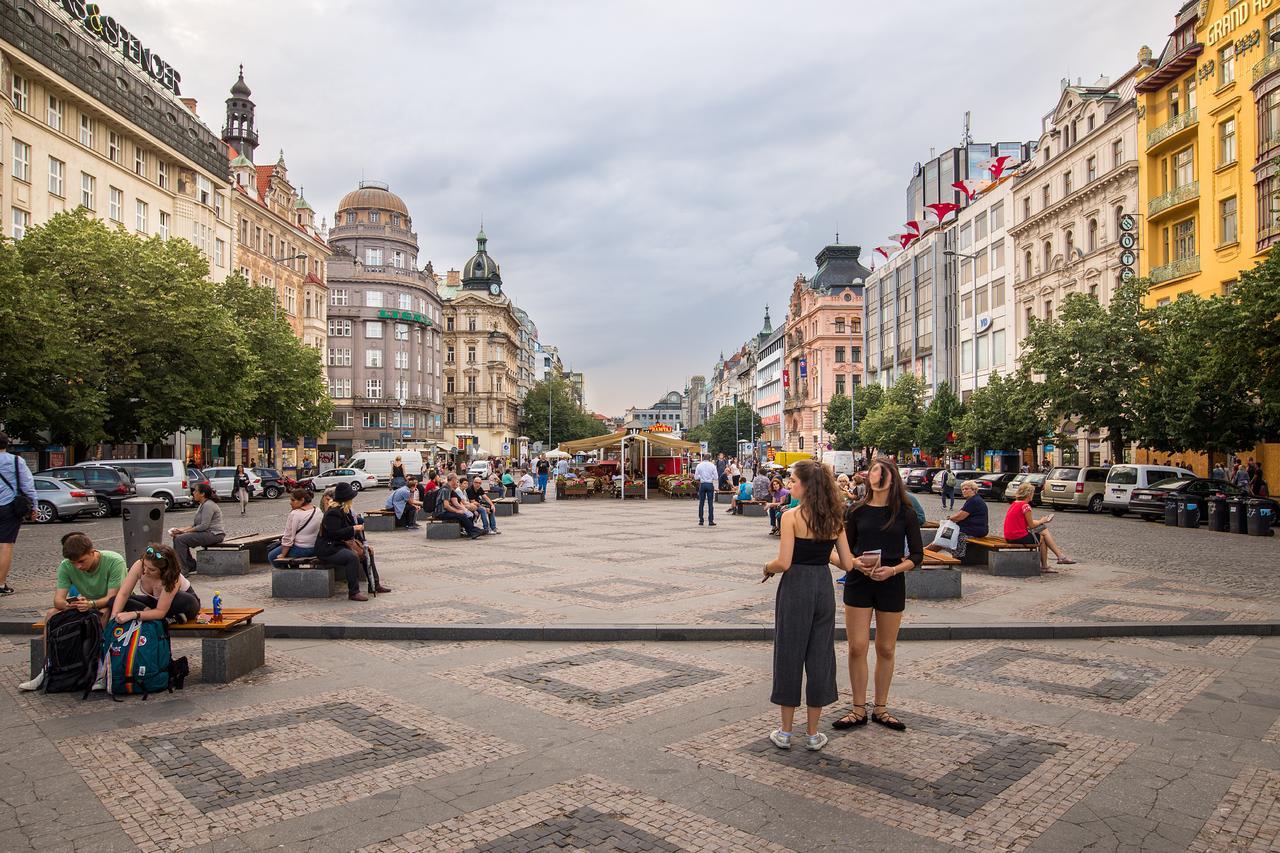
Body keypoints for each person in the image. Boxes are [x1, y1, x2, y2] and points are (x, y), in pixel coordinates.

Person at [762, 459, 854, 752]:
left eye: (792, 480)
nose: (789, 484)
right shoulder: (834, 518)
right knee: (820, 656)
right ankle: (814, 734)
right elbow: (848, 563)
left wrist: (767, 566)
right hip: (822, 588)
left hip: (796, 587)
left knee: (789, 654)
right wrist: (823, 555)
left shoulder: (790, 516)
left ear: (806, 486)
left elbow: (784, 562)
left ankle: (786, 732)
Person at [833, 458, 923, 733]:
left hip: (891, 582)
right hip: (859, 581)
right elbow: (842, 550)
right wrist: (855, 562)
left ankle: (880, 707)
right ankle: (858, 708)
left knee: (886, 648)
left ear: (892, 479)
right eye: (873, 470)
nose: (876, 474)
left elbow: (917, 556)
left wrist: (894, 570)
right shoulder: (857, 510)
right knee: (857, 646)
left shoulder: (904, 512)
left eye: (882, 471)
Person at [20, 532, 127, 691]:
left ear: (92, 552)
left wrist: (90, 604)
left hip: (113, 604)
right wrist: (68, 605)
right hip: (84, 604)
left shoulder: (114, 561)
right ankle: (48, 669)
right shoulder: (66, 565)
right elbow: (58, 600)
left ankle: (100, 670)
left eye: (81, 561)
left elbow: (112, 597)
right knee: (51, 615)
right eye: (74, 563)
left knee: (103, 613)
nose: (78, 566)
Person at [109, 543, 201, 626]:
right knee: (114, 600)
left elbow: (161, 611)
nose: (145, 571)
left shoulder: (172, 577)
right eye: (144, 565)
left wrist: (134, 614)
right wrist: (114, 617)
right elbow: (123, 594)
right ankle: (155, 615)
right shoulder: (139, 565)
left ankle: (158, 617)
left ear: (164, 570)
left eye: (152, 569)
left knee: (181, 599)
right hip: (156, 603)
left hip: (183, 603)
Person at [1003, 482, 1076, 573]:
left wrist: (1041, 521)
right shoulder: (1025, 506)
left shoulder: (1015, 504)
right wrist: (1042, 521)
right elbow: (1031, 525)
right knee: (1042, 536)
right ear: (1029, 494)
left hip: (1009, 536)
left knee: (1043, 530)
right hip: (1018, 536)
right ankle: (1055, 560)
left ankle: (1058, 558)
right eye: (1032, 493)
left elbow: (1026, 522)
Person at [314, 482, 370, 601]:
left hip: (339, 545)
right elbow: (334, 533)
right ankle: (353, 592)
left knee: (367, 552)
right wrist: (353, 528)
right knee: (351, 557)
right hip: (328, 548)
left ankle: (374, 584)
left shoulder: (343, 510)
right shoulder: (333, 512)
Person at [0, 431, 37, 596]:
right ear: (7, 444)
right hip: (10, 506)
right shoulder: (16, 461)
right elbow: (28, 485)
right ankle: (0, 584)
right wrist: (34, 506)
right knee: (5, 545)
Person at [169, 483, 224, 576]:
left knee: (180, 539)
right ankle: (190, 565)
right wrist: (180, 530)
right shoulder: (202, 504)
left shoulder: (208, 505)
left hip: (214, 534)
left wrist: (184, 532)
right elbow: (195, 525)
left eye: (195, 491)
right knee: (177, 537)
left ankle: (184, 568)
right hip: (206, 533)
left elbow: (204, 526)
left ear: (202, 494)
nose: (193, 493)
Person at [926, 480, 987, 560]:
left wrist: (950, 518)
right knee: (945, 536)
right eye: (963, 489)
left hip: (974, 530)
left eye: (966, 489)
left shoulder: (973, 501)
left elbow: (959, 517)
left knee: (946, 536)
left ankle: (925, 552)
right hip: (974, 528)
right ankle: (925, 551)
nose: (964, 491)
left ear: (974, 490)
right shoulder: (974, 500)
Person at [268, 489, 322, 566]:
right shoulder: (317, 510)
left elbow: (288, 537)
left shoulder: (295, 514)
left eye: (293, 500)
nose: (290, 503)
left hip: (301, 548)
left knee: (271, 556)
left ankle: (285, 575)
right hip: (315, 547)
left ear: (302, 500)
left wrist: (283, 554)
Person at [435, 474, 485, 539]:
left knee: (462, 515)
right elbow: (446, 506)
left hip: (444, 511)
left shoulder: (448, 489)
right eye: (456, 480)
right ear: (453, 480)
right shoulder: (446, 490)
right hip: (441, 512)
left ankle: (472, 532)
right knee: (461, 515)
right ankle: (474, 531)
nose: (457, 482)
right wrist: (457, 511)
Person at [694, 454, 719, 527]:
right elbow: (716, 477)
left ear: (703, 458)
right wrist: (710, 476)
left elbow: (695, 477)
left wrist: (701, 476)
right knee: (710, 503)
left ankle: (701, 521)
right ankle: (710, 521)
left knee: (701, 503)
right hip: (709, 484)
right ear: (710, 458)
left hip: (702, 484)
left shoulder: (699, 465)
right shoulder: (712, 466)